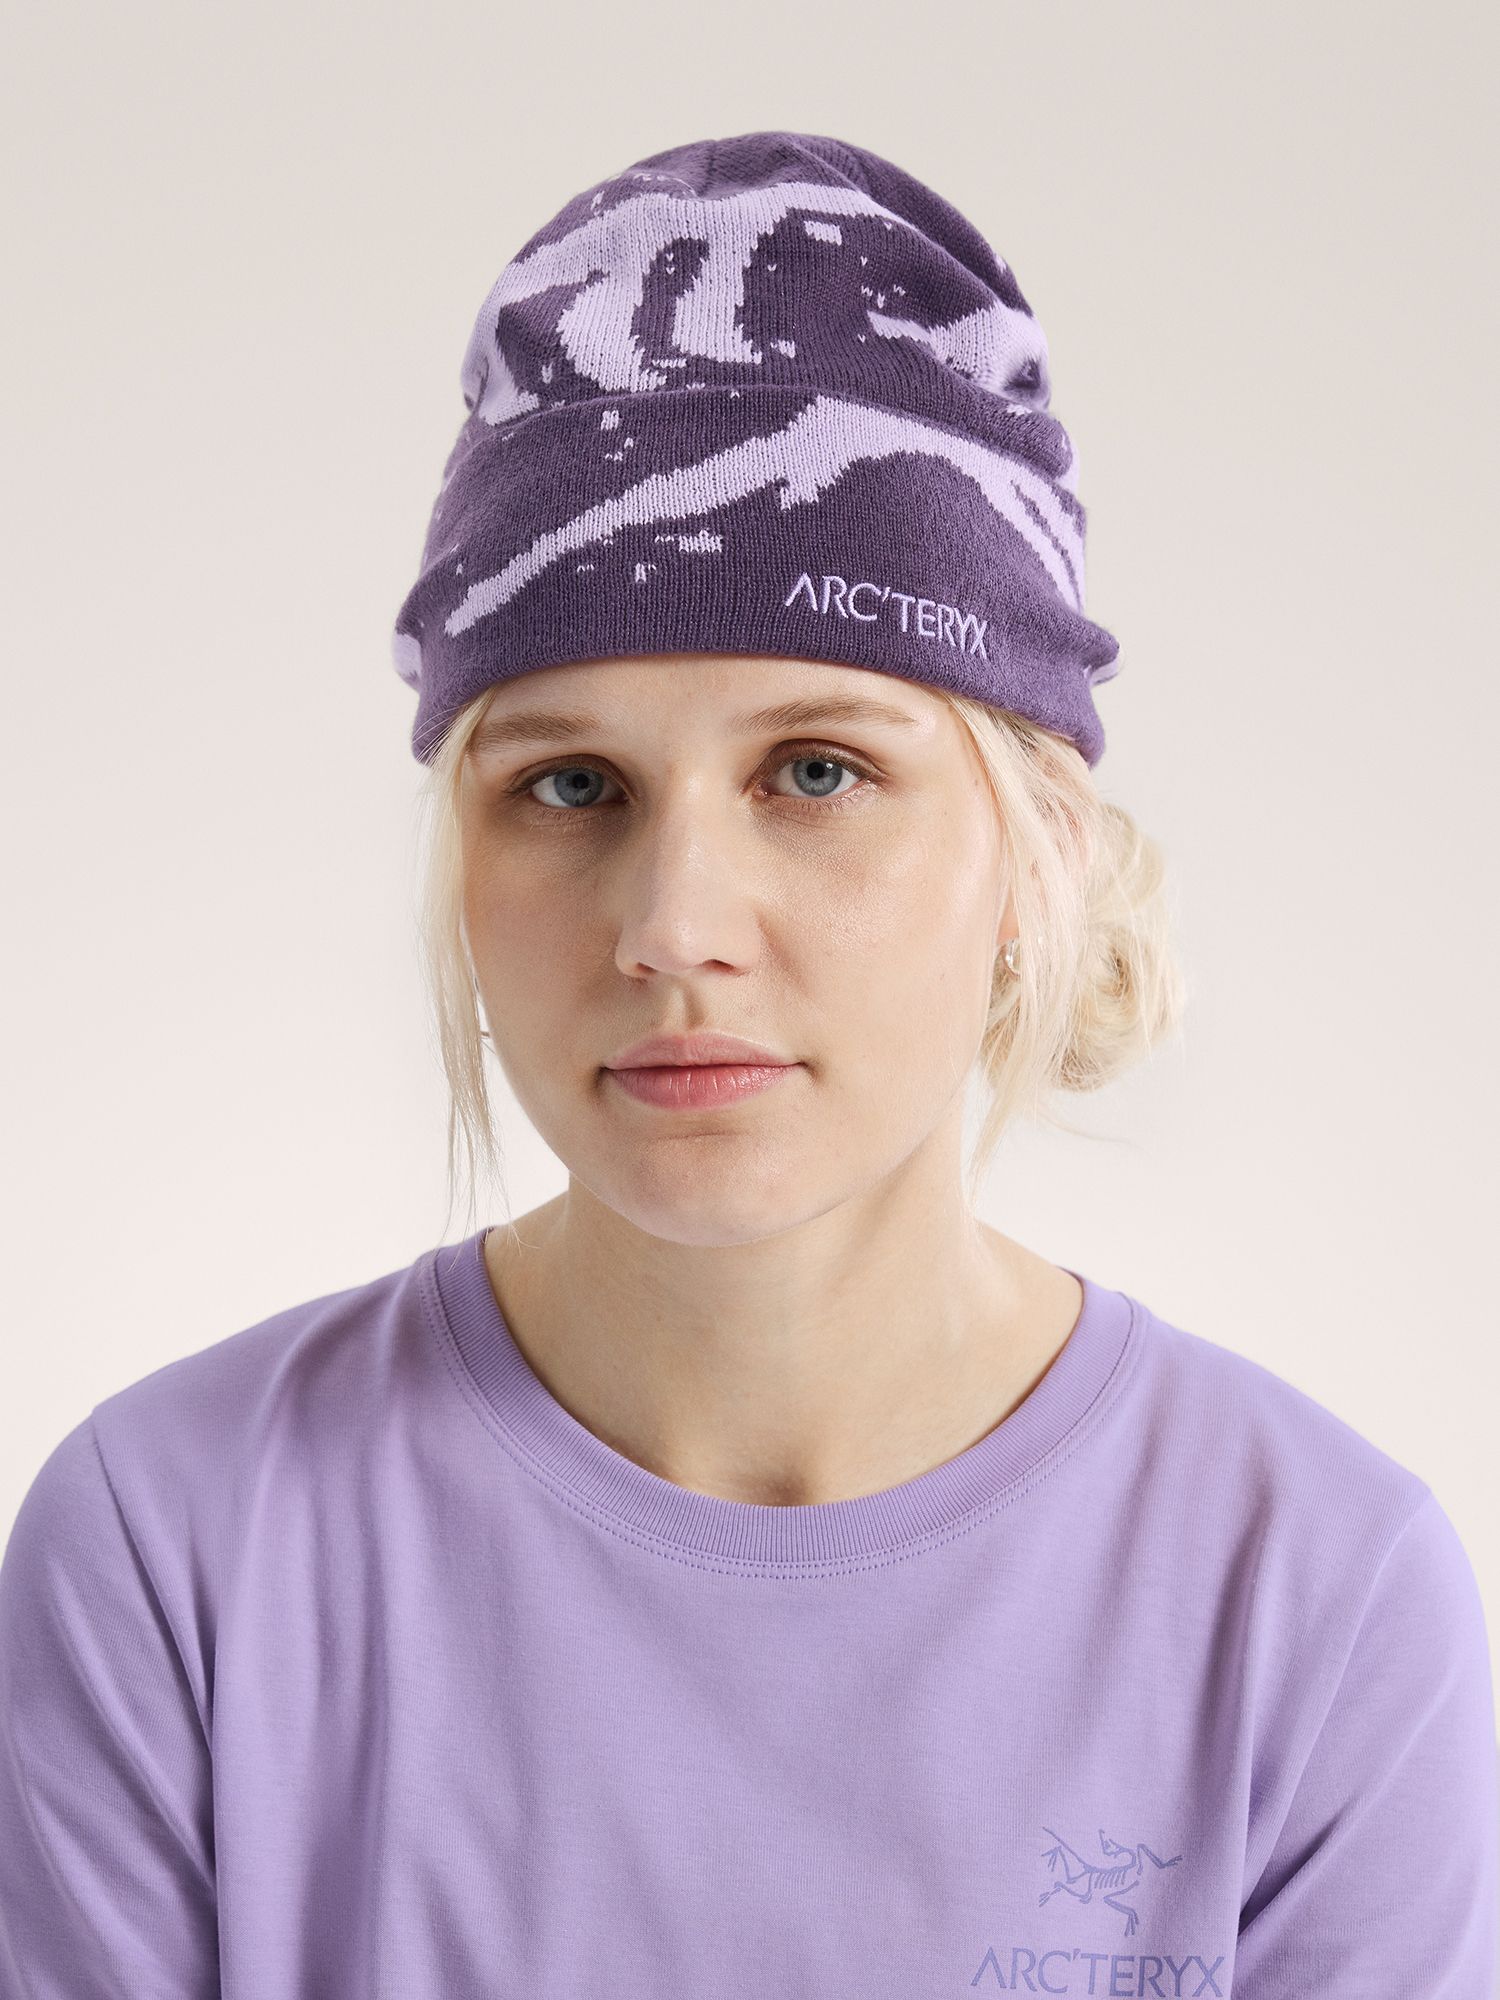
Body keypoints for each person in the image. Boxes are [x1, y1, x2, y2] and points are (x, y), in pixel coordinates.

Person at [1, 128, 1495, 1997]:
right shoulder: (174, 1553)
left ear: (1035, 847)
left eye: (817, 771)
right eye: (570, 785)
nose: (672, 925)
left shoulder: (1315, 1601)